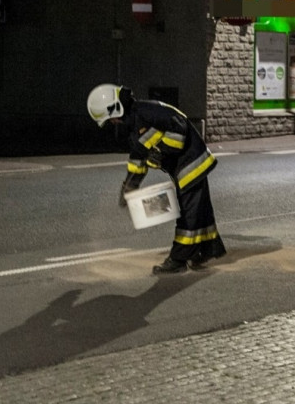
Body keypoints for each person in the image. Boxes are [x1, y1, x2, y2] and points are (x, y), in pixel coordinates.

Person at [86, 84, 227, 274]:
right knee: (200, 209)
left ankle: (178, 260)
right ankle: (209, 248)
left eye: (110, 119)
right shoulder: (134, 126)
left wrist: (160, 152)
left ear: (115, 109)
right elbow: (138, 159)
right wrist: (129, 187)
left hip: (191, 164)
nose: (112, 123)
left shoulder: (147, 112)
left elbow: (180, 129)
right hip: (183, 167)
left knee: (189, 214)